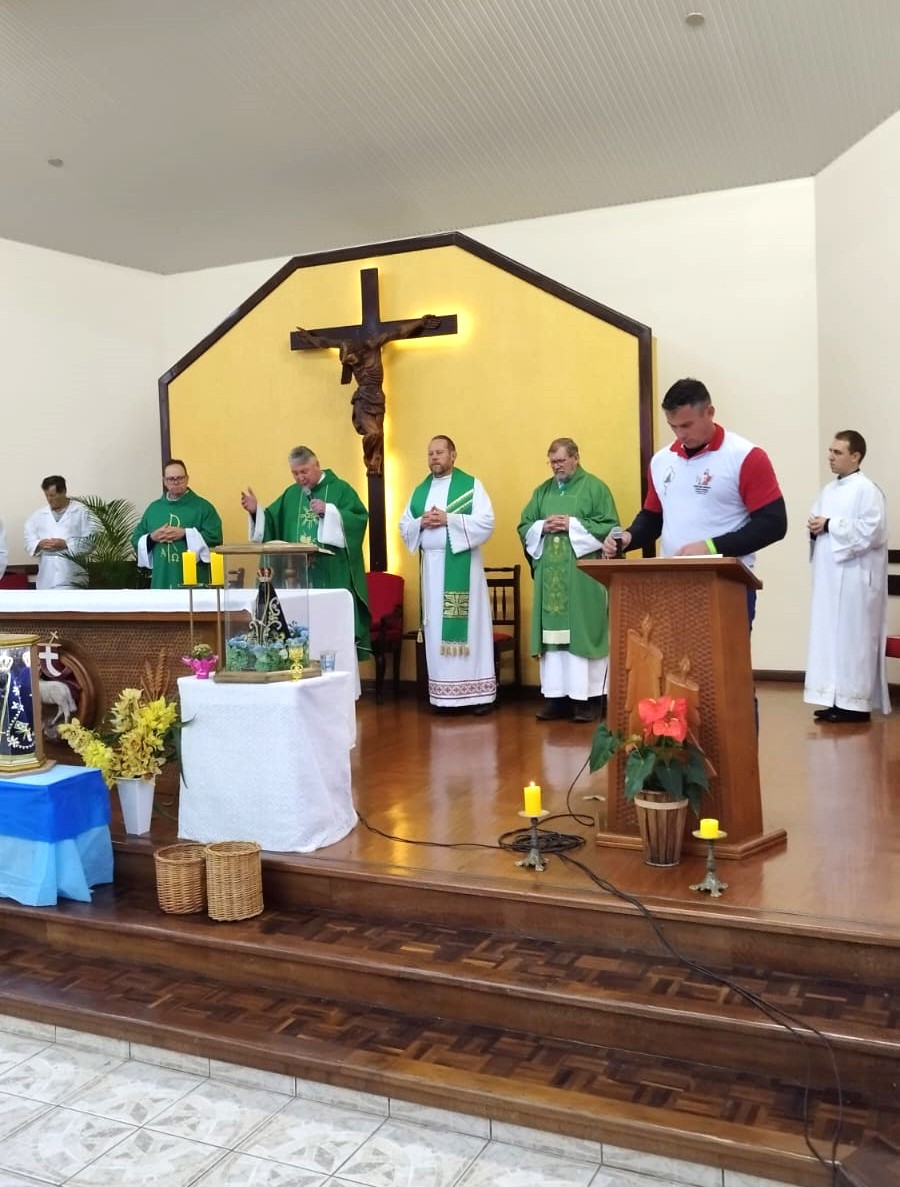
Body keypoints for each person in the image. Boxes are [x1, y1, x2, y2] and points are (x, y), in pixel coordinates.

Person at [601, 378, 787, 627]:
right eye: (673, 426)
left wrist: (711, 547)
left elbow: (774, 523)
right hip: (671, 585)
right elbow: (653, 518)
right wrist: (628, 538)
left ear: (709, 412)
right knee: (670, 665)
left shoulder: (745, 457)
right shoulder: (661, 461)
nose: (680, 434)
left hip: (725, 585)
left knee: (722, 666)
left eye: (687, 425)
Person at [518, 438, 619, 722]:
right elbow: (524, 525)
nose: (556, 467)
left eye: (561, 461)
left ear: (576, 458)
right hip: (550, 577)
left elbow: (611, 527)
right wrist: (541, 526)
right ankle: (556, 698)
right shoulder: (542, 492)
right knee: (553, 640)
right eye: (552, 462)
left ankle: (589, 699)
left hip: (583, 578)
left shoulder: (595, 488)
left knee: (584, 633)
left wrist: (571, 524)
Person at [241, 446, 372, 657]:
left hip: (331, 574)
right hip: (296, 577)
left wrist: (330, 512)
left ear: (317, 465)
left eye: (304, 471)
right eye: (295, 473)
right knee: (298, 628)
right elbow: (272, 523)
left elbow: (358, 520)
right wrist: (257, 511)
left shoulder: (340, 489)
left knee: (330, 629)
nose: (300, 478)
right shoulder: (291, 494)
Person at [399, 435, 497, 714]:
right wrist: (421, 522)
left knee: (470, 630)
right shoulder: (420, 491)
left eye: (440, 452)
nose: (434, 457)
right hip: (432, 569)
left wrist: (448, 519)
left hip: (463, 568)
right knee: (437, 631)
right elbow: (404, 525)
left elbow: (486, 522)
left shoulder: (471, 486)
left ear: (453, 455)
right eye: (430, 453)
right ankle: (443, 697)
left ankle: (478, 696)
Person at [804, 430, 890, 724]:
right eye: (830, 451)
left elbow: (873, 531)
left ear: (856, 456)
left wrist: (830, 524)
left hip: (856, 581)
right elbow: (819, 523)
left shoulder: (868, 490)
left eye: (837, 452)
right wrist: (815, 527)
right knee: (832, 640)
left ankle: (856, 704)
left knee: (854, 641)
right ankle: (834, 699)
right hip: (831, 580)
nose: (830, 456)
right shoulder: (828, 491)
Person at [294, 316, 440, 475]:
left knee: (379, 436)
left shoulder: (372, 345)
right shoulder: (349, 358)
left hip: (377, 398)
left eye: (350, 358)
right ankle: (370, 462)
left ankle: (375, 462)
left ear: (356, 350)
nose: (350, 363)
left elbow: (397, 332)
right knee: (374, 433)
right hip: (362, 399)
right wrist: (309, 338)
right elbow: (325, 342)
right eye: (346, 361)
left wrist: (421, 322)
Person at [132, 459, 223, 589]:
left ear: (187, 479)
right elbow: (136, 539)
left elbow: (215, 537)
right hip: (161, 577)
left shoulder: (203, 507)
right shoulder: (154, 509)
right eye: (171, 479)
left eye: (180, 478)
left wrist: (185, 534)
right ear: (164, 481)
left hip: (193, 580)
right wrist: (152, 537)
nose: (176, 482)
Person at [23, 476, 96, 590]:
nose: (49, 499)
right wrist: (39, 544)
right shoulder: (38, 516)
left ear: (63, 492)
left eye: (52, 495)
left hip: (73, 578)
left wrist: (67, 544)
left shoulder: (82, 512)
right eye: (46, 495)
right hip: (46, 578)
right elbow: (28, 541)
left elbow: (92, 541)